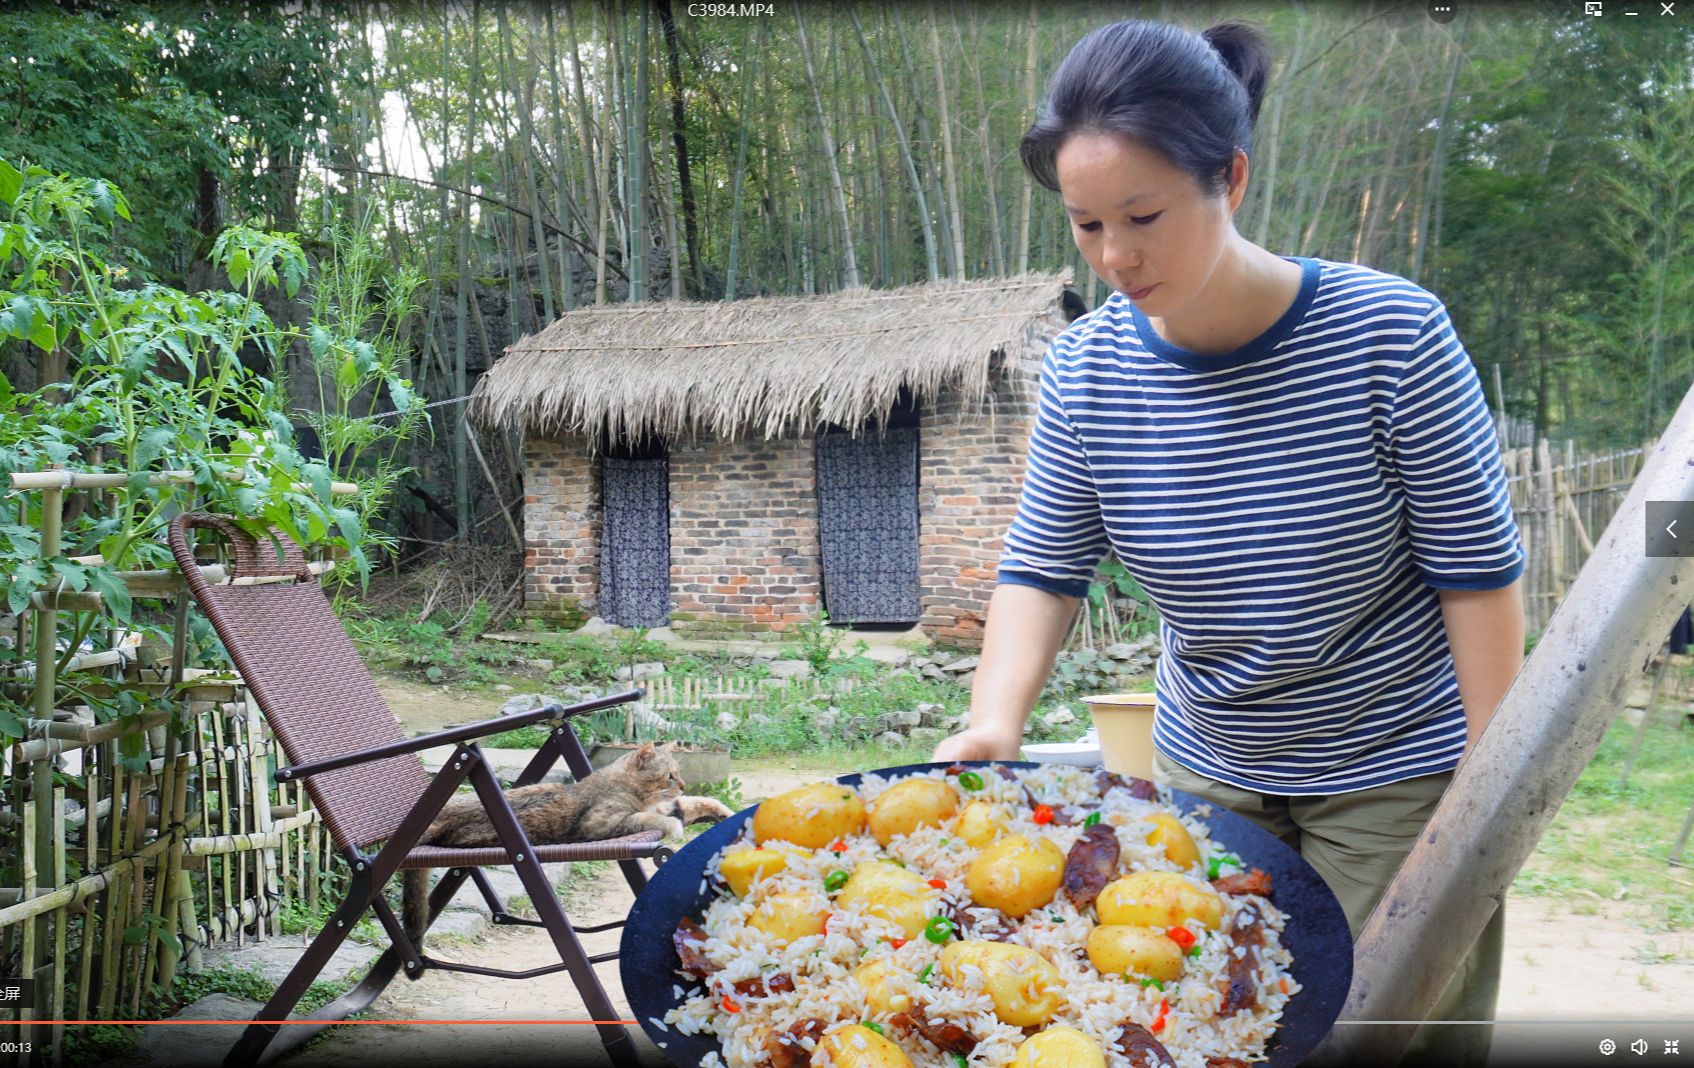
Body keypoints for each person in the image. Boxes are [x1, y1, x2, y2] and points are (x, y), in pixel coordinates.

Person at [931, 18, 1525, 1066]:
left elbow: (1472, 573)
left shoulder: (1389, 335)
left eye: (1143, 216)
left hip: (1392, 765)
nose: (1115, 255)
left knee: (1376, 1028)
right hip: (1209, 763)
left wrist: (1489, 786)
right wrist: (992, 719)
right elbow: (1041, 565)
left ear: (1230, 177)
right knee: (1209, 1021)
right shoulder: (1085, 372)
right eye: (1084, 225)